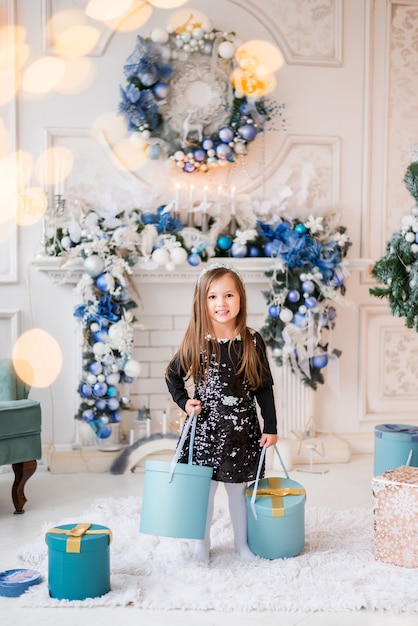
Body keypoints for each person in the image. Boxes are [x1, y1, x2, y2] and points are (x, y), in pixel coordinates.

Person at [165, 263, 278, 564]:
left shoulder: (252, 341)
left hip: (240, 433)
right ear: (202, 302)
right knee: (205, 495)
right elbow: (172, 376)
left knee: (237, 493)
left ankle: (241, 545)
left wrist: (271, 426)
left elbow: (264, 387)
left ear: (240, 298)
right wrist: (185, 402)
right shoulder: (196, 342)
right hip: (205, 433)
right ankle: (202, 548)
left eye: (228, 295)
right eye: (213, 297)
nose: (221, 303)